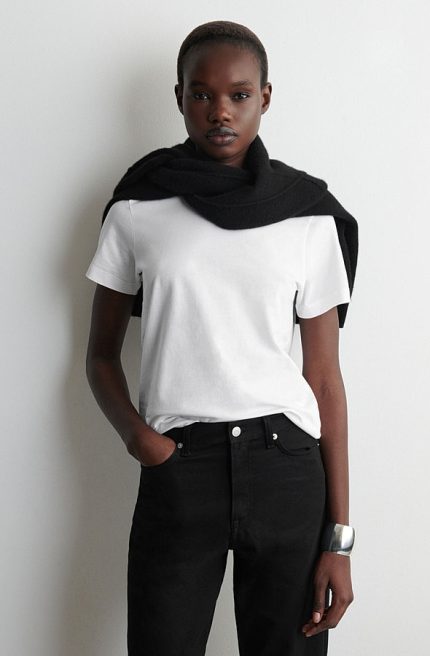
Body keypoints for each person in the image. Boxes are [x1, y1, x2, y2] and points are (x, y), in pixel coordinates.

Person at [85, 20, 358, 656]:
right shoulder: (138, 209)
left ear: (266, 97)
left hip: (287, 467)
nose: (220, 112)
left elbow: (323, 379)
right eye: (202, 94)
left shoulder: (308, 215)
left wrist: (340, 539)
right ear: (179, 98)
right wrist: (141, 440)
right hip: (180, 466)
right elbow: (100, 355)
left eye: (239, 94)